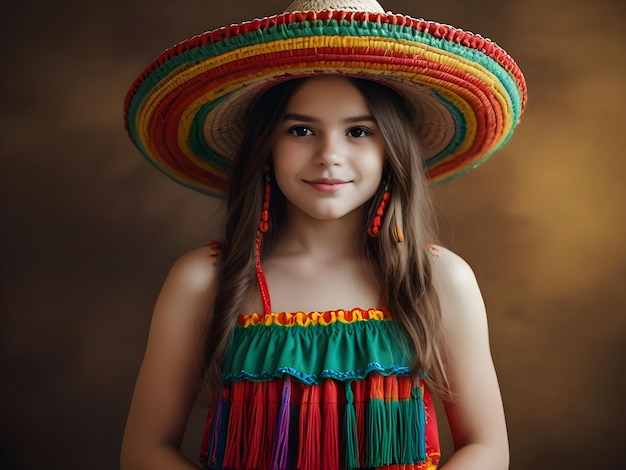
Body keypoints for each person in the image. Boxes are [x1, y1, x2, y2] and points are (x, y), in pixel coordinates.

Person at [120, 0, 527, 469]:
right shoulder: (201, 280)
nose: (328, 155)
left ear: (391, 148)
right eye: (300, 131)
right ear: (266, 146)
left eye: (357, 132)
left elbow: (487, 447)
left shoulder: (439, 278)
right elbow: (145, 451)